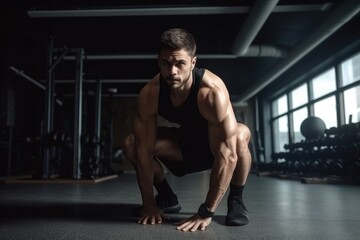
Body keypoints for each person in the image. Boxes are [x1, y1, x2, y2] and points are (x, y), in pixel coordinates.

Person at [122, 28, 252, 232]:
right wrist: (148, 204)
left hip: (214, 147)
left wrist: (206, 211)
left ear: (193, 62)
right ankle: (166, 197)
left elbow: (228, 155)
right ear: (158, 62)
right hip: (183, 146)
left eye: (179, 63)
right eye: (166, 63)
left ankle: (236, 201)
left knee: (239, 134)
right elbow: (144, 153)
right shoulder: (150, 94)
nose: (172, 71)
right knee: (132, 143)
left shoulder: (211, 93)